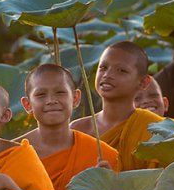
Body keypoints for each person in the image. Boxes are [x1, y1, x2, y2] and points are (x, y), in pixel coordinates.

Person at [18, 64, 123, 190]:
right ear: (27, 105)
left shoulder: (101, 154)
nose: (51, 101)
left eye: (60, 93)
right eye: (41, 95)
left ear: (75, 98)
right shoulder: (15, 151)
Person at [70, 41, 163, 171]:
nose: (107, 75)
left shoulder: (155, 130)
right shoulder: (77, 130)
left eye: (121, 70)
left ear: (143, 82)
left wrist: (113, 182)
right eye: (103, 67)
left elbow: (162, 185)